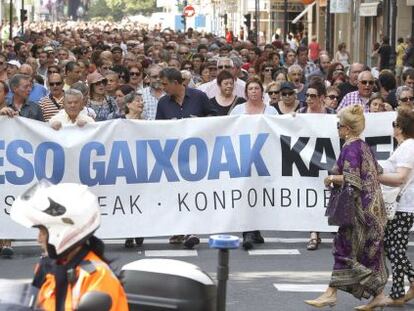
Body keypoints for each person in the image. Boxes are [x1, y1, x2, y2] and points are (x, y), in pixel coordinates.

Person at [305, 105, 388, 310]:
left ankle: (336, 293)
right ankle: (369, 294)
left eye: (339, 125)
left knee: (345, 249)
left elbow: (353, 180)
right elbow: (378, 171)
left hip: (359, 211)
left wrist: (332, 178)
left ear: (347, 129)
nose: (337, 129)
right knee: (363, 252)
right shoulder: (364, 146)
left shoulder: (351, 148)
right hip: (374, 210)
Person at [10, 181, 129, 310]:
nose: (38, 239)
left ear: (63, 231)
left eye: (43, 232)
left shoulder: (97, 278)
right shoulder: (49, 267)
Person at [373, 108, 414, 307]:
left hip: (404, 206)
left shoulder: (408, 146)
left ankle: (402, 289)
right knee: (393, 247)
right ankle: (400, 290)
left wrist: (375, 176)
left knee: (394, 248)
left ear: (400, 127)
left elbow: (400, 178)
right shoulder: (404, 146)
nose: (393, 128)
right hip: (401, 206)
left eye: (394, 124)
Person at [230, 77, 276, 250]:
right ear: (246, 92)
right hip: (243, 159)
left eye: (257, 88)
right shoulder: (237, 110)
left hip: (266, 160)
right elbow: (228, 130)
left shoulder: (271, 111)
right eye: (251, 89)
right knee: (246, 194)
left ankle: (255, 230)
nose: (254, 91)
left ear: (262, 93)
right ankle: (247, 232)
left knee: (260, 195)